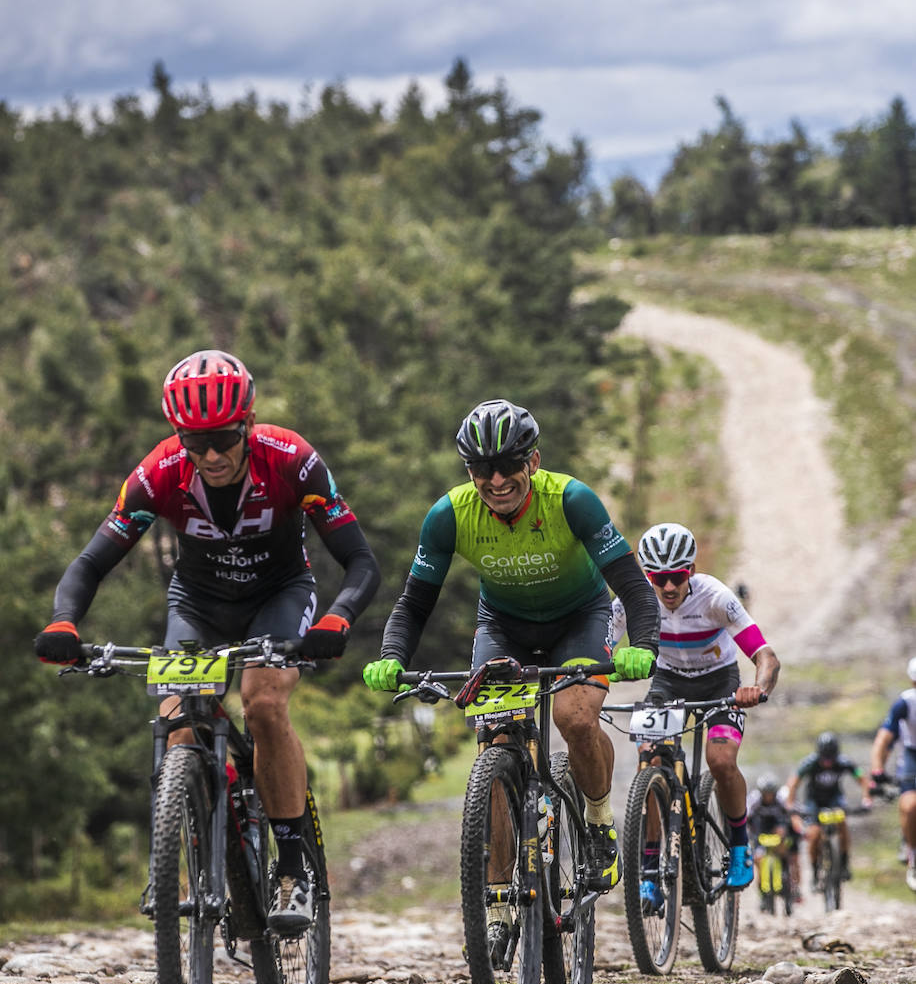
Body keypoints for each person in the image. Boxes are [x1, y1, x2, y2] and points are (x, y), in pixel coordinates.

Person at [35, 349, 380, 932]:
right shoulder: (159, 472)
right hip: (197, 603)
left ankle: (293, 870)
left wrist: (337, 620)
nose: (211, 455)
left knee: (264, 702)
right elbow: (93, 562)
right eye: (196, 443)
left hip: (280, 596)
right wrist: (65, 620)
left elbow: (361, 563)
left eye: (223, 438)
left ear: (248, 423)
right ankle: (198, 829)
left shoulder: (292, 461)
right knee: (179, 722)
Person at [362, 397, 660, 891]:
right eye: (482, 468)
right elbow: (414, 604)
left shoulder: (571, 500)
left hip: (579, 619)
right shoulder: (448, 515)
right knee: (496, 738)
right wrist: (393, 657)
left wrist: (643, 644)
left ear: (533, 462)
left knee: (574, 716)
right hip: (504, 627)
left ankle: (598, 822)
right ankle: (498, 897)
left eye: (507, 466)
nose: (496, 480)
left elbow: (632, 585)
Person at [616, 521, 780, 911]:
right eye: (659, 579)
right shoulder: (634, 599)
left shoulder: (715, 597)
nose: (669, 588)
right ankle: (652, 866)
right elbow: (597, 648)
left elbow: (766, 657)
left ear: (689, 571)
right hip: (669, 681)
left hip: (719, 682)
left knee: (720, 760)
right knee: (651, 760)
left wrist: (758, 689)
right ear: (647, 576)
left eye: (677, 577)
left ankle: (739, 844)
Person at [786, 731, 871, 882]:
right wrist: (790, 804)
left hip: (835, 799)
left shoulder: (844, 762)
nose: (828, 762)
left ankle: (844, 863)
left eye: (831, 758)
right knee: (814, 834)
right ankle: (814, 872)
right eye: (825, 758)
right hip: (813, 801)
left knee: (842, 824)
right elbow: (794, 782)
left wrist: (866, 799)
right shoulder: (810, 763)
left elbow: (861, 777)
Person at [868, 657, 916, 892]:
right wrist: (877, 770)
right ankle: (912, 855)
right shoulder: (905, 703)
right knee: (909, 805)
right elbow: (883, 740)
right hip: (912, 755)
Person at [747, 772, 799, 907]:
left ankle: (790, 883)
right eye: (766, 793)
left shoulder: (781, 799)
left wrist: (788, 829)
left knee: (787, 854)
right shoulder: (754, 800)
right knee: (758, 859)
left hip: (778, 830)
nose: (768, 796)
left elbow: (790, 815)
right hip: (760, 831)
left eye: (771, 793)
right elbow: (747, 819)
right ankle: (762, 894)